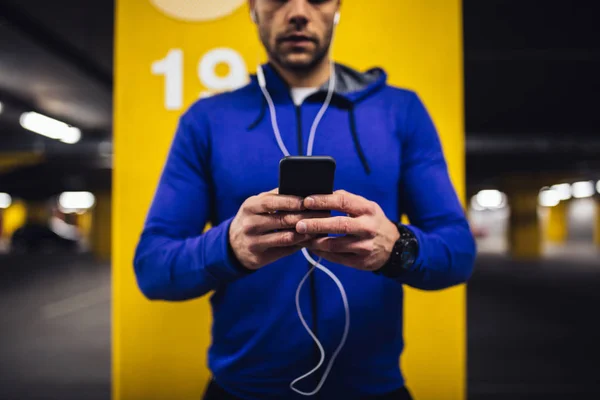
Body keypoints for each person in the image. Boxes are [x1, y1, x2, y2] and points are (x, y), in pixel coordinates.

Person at [134, 0, 477, 399]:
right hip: (244, 389)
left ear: (337, 8)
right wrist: (229, 247)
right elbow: (153, 267)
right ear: (252, 9)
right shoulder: (206, 119)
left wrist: (396, 246)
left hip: (371, 389)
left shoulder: (399, 111)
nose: (298, 11)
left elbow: (459, 252)